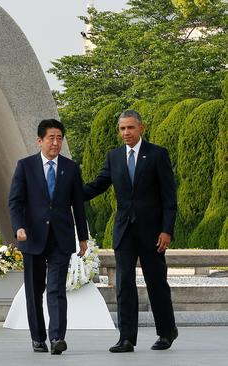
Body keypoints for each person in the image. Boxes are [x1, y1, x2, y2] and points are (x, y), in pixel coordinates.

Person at [83, 110, 178, 353]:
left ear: (141, 128)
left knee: (156, 283)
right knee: (124, 284)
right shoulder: (114, 157)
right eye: (122, 129)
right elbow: (98, 185)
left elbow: (169, 197)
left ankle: (166, 332)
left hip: (153, 233)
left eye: (130, 128)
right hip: (124, 231)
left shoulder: (157, 155)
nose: (126, 133)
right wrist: (69, 193)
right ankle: (126, 338)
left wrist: (166, 231)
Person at [8, 118, 88, 355]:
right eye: (51, 138)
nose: (55, 142)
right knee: (34, 292)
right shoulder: (25, 166)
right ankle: (38, 338)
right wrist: (19, 227)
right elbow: (15, 202)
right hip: (32, 237)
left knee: (56, 289)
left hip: (61, 238)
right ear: (39, 140)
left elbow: (78, 206)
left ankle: (57, 338)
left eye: (59, 138)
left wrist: (82, 237)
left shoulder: (71, 168)